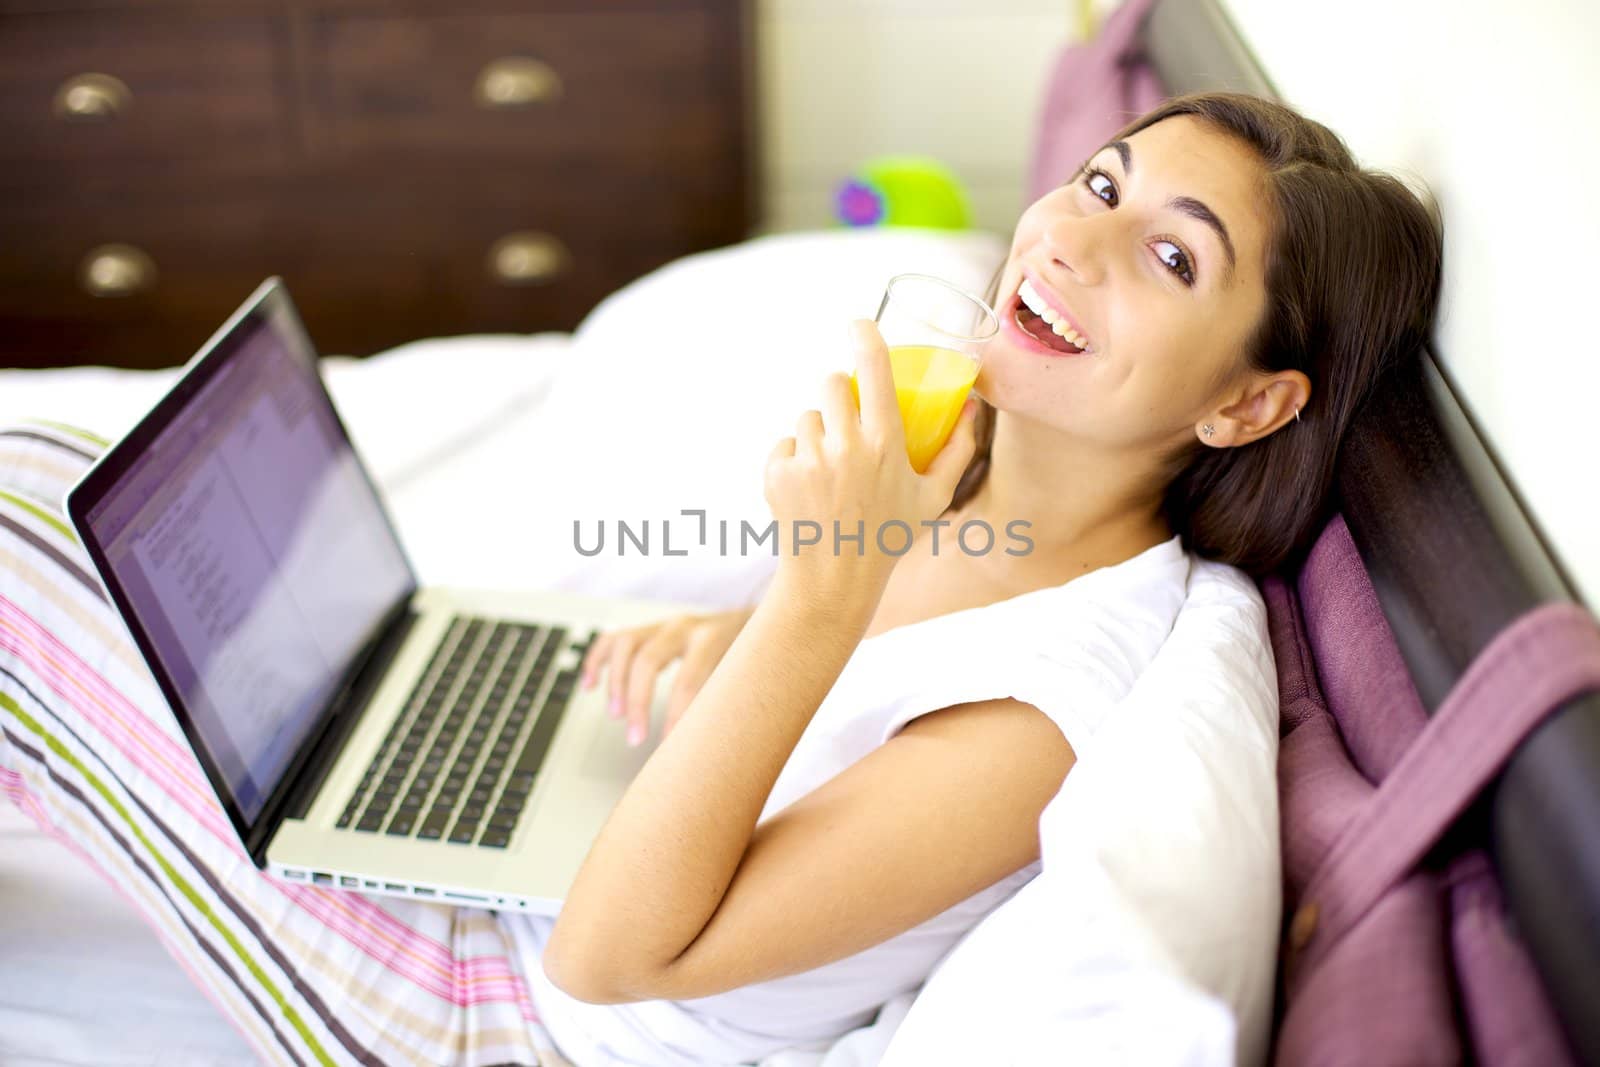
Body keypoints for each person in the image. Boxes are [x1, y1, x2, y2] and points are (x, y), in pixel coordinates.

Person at [0, 90, 1442, 1066]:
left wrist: (816, 593)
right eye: (1100, 181)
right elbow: (819, 703)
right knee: (69, 463)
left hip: (498, 1013)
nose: (1071, 238)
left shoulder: (1042, 711)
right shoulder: (963, 474)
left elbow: (607, 964)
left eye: (1169, 257)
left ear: (1249, 407)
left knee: (18, 542)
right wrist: (734, 628)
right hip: (541, 867)